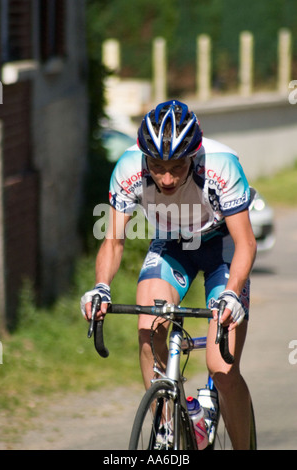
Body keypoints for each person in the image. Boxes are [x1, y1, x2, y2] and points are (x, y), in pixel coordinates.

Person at [81, 100, 257, 450]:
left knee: (222, 368)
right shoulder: (129, 167)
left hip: (221, 245)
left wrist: (233, 293)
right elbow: (114, 240)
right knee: (149, 326)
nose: (166, 177)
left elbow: (246, 243)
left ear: (193, 155)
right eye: (158, 166)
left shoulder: (222, 165)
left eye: (178, 166)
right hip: (172, 242)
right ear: (144, 157)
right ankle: (166, 426)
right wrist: (101, 287)